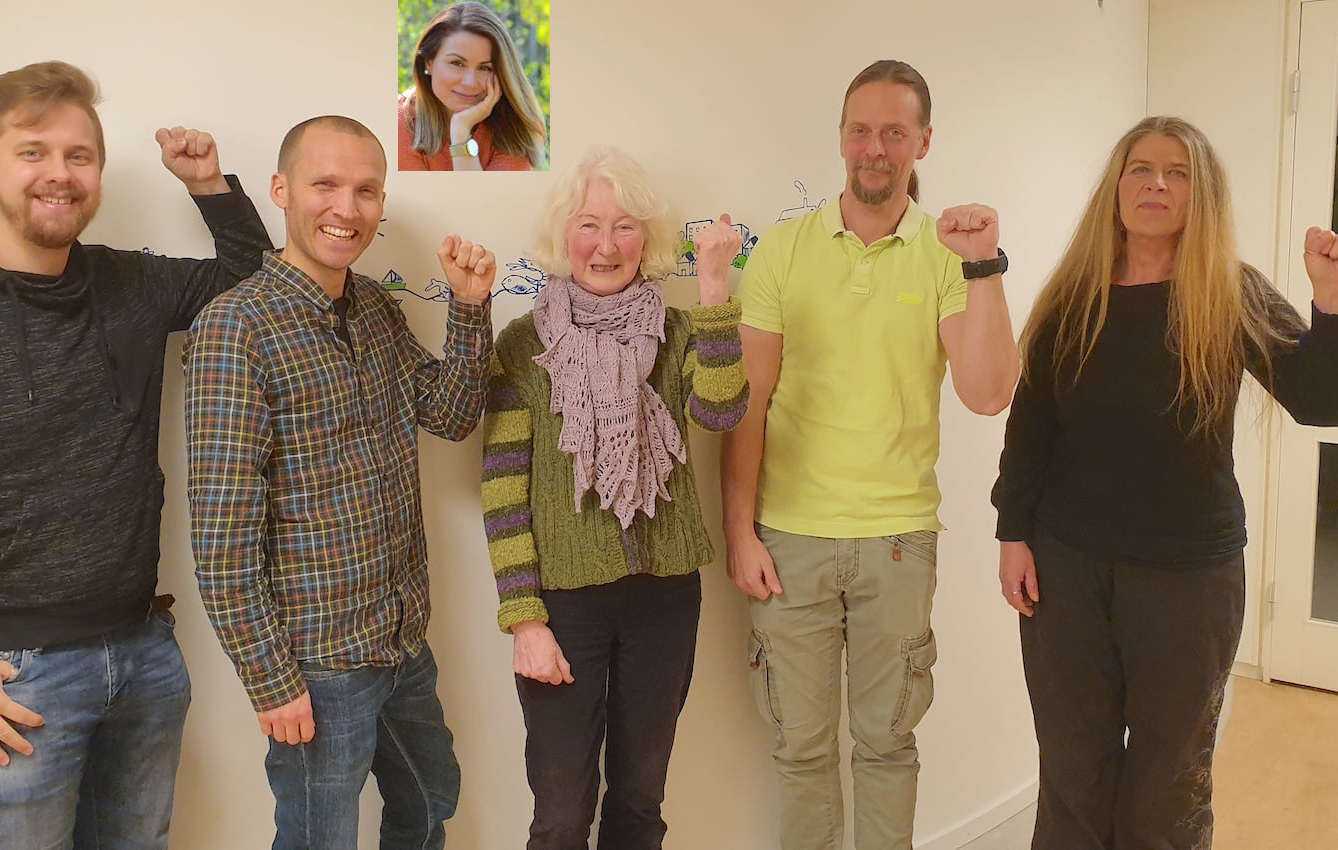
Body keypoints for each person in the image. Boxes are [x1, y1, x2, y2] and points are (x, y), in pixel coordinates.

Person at [0, 60, 271, 847]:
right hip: (6, 676)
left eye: (78, 155)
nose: (58, 174)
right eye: (32, 152)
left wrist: (208, 185)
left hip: (143, 654)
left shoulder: (130, 284)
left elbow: (256, 288)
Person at [993, 115, 1338, 850]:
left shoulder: (1228, 292)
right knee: (1071, 765)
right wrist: (1013, 533)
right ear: (1116, 185)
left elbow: (1325, 403)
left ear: (1202, 195)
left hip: (1187, 577)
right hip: (1067, 568)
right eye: (1141, 168)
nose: (1156, 184)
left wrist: (1331, 301)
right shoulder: (1073, 296)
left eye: (1178, 173)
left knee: (1170, 777)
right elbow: (1031, 425)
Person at [719, 59, 1020, 849]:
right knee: (800, 751)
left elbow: (988, 392)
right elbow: (747, 403)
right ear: (840, 138)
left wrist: (983, 264)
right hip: (788, 538)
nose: (874, 148)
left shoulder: (948, 252)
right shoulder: (783, 250)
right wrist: (739, 531)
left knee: (887, 747)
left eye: (893, 131)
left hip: (897, 541)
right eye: (860, 130)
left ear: (923, 141)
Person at [183, 115, 493, 850]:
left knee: (430, 802)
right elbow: (222, 539)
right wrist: (271, 680)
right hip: (316, 664)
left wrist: (469, 308)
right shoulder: (235, 328)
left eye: (365, 191)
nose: (346, 209)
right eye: (324, 184)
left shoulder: (377, 307)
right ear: (281, 190)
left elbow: (449, 416)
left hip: (399, 640)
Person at [481, 147, 748, 849]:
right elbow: (503, 488)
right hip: (562, 606)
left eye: (625, 226)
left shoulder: (678, 332)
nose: (606, 245)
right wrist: (524, 619)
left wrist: (714, 289)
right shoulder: (523, 345)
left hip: (665, 596)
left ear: (646, 241)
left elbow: (721, 411)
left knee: (639, 800)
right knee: (561, 813)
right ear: (563, 236)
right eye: (589, 225)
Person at [398, 1, 546, 171]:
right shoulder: (399, 125)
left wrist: (461, 131)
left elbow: (480, 191)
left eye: (485, 68)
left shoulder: (512, 130)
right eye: (457, 63)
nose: (470, 82)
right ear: (428, 62)